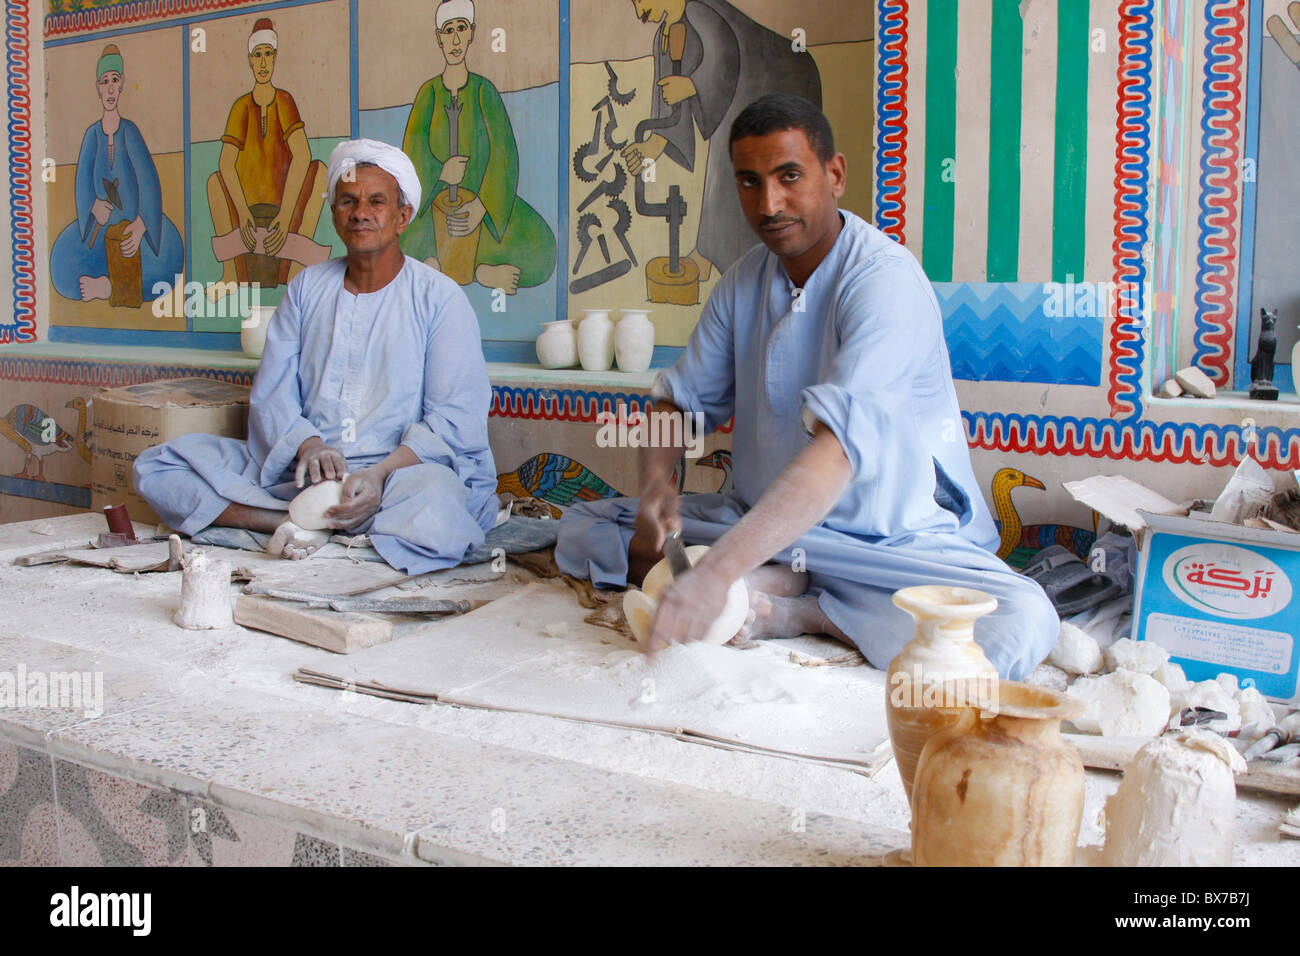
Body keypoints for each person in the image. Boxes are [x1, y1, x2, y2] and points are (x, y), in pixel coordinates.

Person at [556, 95, 1058, 680]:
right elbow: (678, 403)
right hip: (755, 521)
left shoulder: (883, 281)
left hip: (881, 541)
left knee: (1020, 617)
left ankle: (811, 609)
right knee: (586, 526)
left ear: (835, 174)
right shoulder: (742, 283)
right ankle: (767, 578)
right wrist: (653, 490)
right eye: (749, 182)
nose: (769, 203)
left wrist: (717, 573)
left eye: (789, 176)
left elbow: (838, 450)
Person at [134, 139, 498, 571]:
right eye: (348, 201)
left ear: (403, 217)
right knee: (158, 467)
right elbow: (273, 394)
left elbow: (456, 419)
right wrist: (308, 447)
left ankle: (340, 520)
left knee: (440, 512)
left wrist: (379, 475)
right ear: (334, 215)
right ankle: (292, 521)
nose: (361, 212)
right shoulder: (307, 288)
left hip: (399, 475)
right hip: (301, 474)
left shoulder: (439, 298)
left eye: (376, 201)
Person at [620, 0, 821, 280]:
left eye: (640, 0)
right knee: (727, 161)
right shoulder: (665, 36)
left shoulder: (701, 10)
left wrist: (691, 86)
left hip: (781, 80)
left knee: (734, 164)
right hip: (738, 95)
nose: (640, 12)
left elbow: (726, 57)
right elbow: (669, 101)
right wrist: (652, 146)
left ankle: (724, 258)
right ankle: (710, 254)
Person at [400, 0, 556, 293]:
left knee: (542, 248)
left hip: (479, 213)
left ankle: (472, 270)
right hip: (435, 208)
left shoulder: (485, 91)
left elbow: (504, 153)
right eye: (448, 31)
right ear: (439, 38)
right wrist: (441, 173)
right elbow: (411, 155)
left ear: (472, 33)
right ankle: (464, 268)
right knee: (392, 237)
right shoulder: (428, 94)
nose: (455, 39)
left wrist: (482, 206)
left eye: (461, 28)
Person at [49, 43, 184, 304]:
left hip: (133, 230)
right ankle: (113, 283)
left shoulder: (130, 131)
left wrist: (141, 225)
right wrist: (93, 208)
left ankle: (110, 287)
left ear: (121, 84)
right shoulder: (92, 136)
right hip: (100, 232)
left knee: (167, 262)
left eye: (114, 80)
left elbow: (149, 182)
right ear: (97, 87)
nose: (110, 88)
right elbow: (82, 185)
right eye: (104, 82)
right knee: (61, 265)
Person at [205, 17, 330, 299]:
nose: (263, 63)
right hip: (246, 211)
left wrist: (286, 217)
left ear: (276, 58)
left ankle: (298, 269)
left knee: (321, 171)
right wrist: (244, 211)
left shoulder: (284, 101)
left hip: (284, 207)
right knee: (214, 182)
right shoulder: (241, 106)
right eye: (258, 55)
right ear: (250, 59)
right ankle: (230, 276)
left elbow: (303, 155)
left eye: (268, 55)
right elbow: (226, 163)